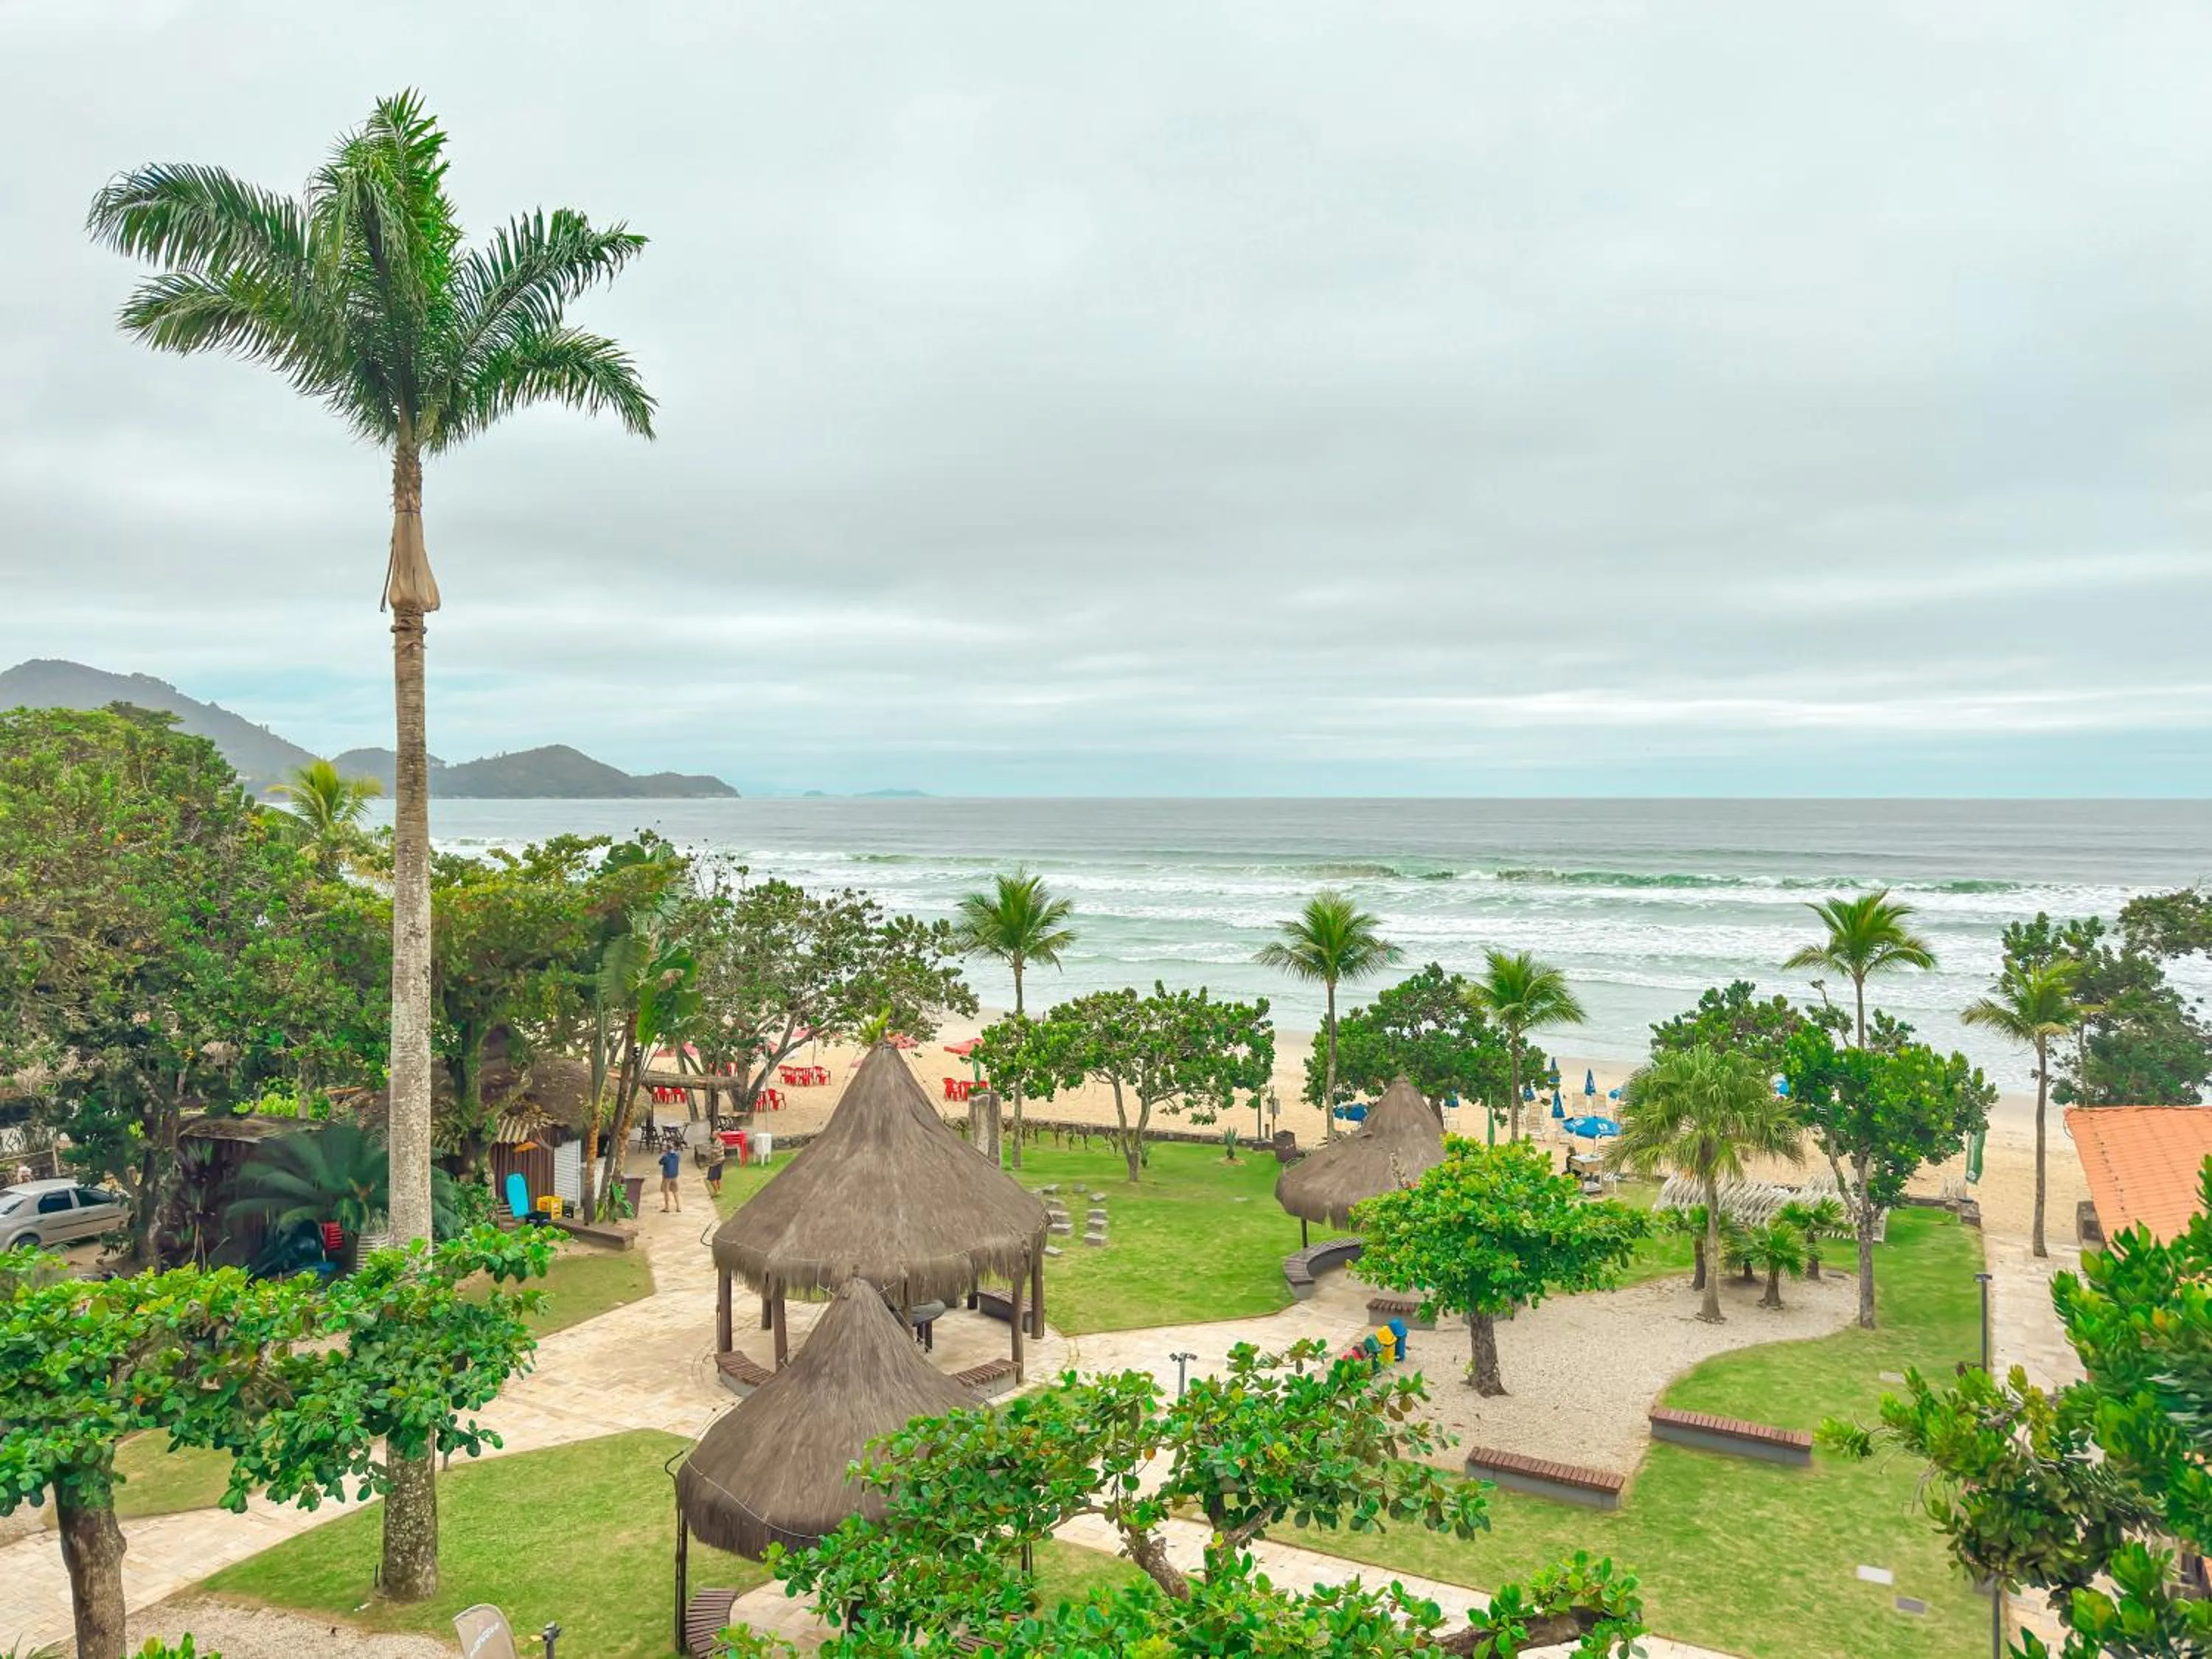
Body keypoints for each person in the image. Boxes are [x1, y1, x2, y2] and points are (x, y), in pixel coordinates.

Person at [658, 1142, 684, 1213]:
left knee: (666, 1191)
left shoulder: (666, 1156)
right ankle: (679, 1207)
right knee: (675, 1191)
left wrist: (664, 1154)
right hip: (675, 1175)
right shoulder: (677, 1156)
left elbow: (660, 1162)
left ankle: (667, 1207)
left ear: (667, 1149)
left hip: (667, 1176)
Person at [703, 1136, 726, 1201]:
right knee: (717, 1177)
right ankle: (718, 1190)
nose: (711, 1136)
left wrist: (709, 1150)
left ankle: (717, 1191)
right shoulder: (717, 1141)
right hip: (717, 1162)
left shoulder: (718, 1143)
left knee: (712, 1178)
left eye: (713, 1135)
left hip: (716, 1162)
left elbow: (715, 1152)